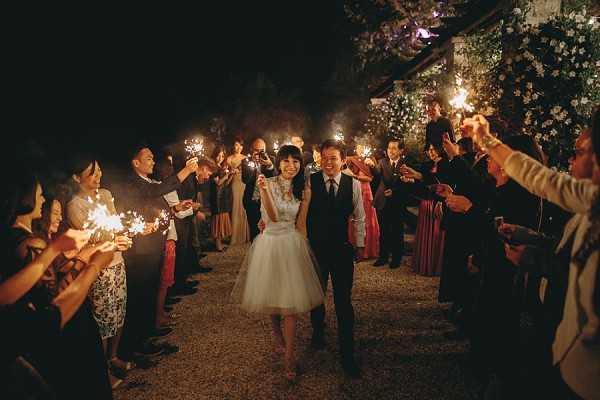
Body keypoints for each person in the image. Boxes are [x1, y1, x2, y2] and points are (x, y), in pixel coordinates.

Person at [463, 111, 600, 399]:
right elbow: (538, 176)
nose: (572, 161)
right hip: (564, 354)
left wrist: (534, 260)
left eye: (580, 152)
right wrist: (486, 139)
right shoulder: (590, 197)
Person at [232, 145, 324, 381]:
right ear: (279, 162)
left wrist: (303, 253)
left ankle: (289, 357)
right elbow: (270, 216)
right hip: (270, 243)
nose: (291, 166)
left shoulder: (303, 188)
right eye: (286, 161)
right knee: (271, 296)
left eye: (296, 161)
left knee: (290, 307)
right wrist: (263, 190)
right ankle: (275, 333)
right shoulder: (267, 182)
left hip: (291, 243)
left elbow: (301, 224)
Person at [66, 157, 134, 386]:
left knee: (119, 311)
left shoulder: (105, 195)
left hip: (116, 261)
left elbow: (114, 225)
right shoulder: (75, 205)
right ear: (77, 178)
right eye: (91, 173)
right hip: (98, 268)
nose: (98, 176)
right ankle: (102, 371)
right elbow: (93, 237)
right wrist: (114, 239)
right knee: (102, 318)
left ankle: (113, 357)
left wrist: (124, 235)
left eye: (99, 171)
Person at [308, 139, 365, 378]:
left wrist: (360, 245)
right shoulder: (310, 182)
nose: (328, 162)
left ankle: (347, 351)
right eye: (325, 157)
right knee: (315, 296)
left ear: (343, 160)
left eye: (333, 158)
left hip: (341, 249)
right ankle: (318, 333)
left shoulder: (352, 184)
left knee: (343, 300)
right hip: (315, 250)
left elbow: (359, 217)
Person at [402, 144, 451, 276]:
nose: (431, 152)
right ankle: (425, 264)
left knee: (436, 234)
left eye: (434, 149)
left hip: (438, 203)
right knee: (425, 234)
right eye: (429, 150)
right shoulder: (426, 165)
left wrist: (419, 176)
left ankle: (435, 265)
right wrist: (411, 181)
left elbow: (443, 185)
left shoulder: (447, 164)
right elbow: (422, 185)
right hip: (426, 202)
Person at [365, 139, 411, 268]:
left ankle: (396, 258)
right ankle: (383, 257)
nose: (390, 151)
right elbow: (377, 175)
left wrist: (395, 192)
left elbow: (407, 185)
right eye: (389, 148)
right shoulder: (382, 162)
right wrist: (372, 166)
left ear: (401, 150)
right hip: (383, 201)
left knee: (397, 231)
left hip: (397, 202)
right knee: (384, 231)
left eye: (394, 148)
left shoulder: (405, 164)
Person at [344, 146, 380, 260]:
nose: (360, 150)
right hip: (354, 189)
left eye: (362, 147)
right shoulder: (353, 160)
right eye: (358, 147)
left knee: (367, 219)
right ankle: (354, 248)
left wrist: (354, 176)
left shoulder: (370, 160)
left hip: (365, 191)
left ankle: (368, 251)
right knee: (354, 218)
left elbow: (370, 178)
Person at [241, 137, 276, 241]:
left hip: (268, 202)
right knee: (254, 232)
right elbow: (245, 180)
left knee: (269, 232)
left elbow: (275, 179)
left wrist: (269, 166)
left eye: (262, 151)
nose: (259, 153)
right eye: (256, 150)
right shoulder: (245, 161)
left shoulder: (271, 160)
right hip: (251, 201)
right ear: (252, 150)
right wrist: (252, 164)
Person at [227, 136, 250, 244]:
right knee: (235, 207)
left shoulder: (245, 158)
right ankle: (235, 236)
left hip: (243, 183)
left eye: (238, 145)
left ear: (241, 147)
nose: (236, 147)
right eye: (235, 145)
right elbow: (226, 172)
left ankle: (244, 236)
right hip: (234, 183)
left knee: (243, 207)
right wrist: (231, 171)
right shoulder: (229, 158)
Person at [210, 145, 233, 252]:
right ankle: (218, 244)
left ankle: (220, 243)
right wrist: (226, 176)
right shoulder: (213, 167)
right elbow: (218, 183)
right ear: (215, 155)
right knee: (218, 218)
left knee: (222, 216)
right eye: (218, 155)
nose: (220, 158)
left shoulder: (220, 167)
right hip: (217, 196)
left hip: (223, 196)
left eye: (222, 156)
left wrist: (231, 175)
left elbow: (226, 183)